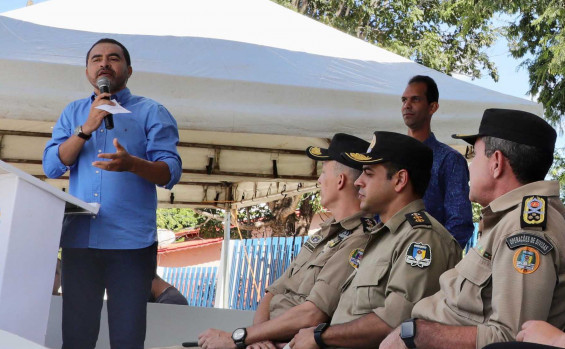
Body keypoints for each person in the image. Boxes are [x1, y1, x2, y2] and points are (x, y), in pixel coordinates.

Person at [380, 108, 565, 349]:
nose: (469, 165)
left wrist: (420, 334)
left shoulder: (523, 231)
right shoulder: (508, 221)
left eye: (474, 155)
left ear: (496, 163)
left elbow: (511, 339)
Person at [43, 38, 182, 349]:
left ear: (128, 70)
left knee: (127, 338)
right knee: (77, 338)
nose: (104, 63)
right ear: (88, 71)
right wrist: (85, 128)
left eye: (113, 58)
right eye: (96, 59)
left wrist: (132, 164)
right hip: (80, 241)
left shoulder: (152, 112)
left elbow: (170, 171)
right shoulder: (74, 112)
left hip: (131, 244)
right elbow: (52, 165)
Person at [289, 131, 462, 349]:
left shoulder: (422, 238)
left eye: (368, 174)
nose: (358, 182)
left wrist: (319, 336)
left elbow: (395, 321)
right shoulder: (383, 236)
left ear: (399, 180)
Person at [198, 133, 371, 349]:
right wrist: (259, 337)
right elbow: (274, 292)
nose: (318, 180)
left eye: (323, 172)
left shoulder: (359, 239)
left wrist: (242, 337)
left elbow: (311, 315)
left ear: (340, 180)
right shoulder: (322, 233)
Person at [401, 75, 474, 247]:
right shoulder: (391, 156)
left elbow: (459, 224)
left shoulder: (450, 160)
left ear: (433, 107)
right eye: (404, 100)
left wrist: (431, 262)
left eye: (415, 99)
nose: (406, 105)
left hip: (425, 261)